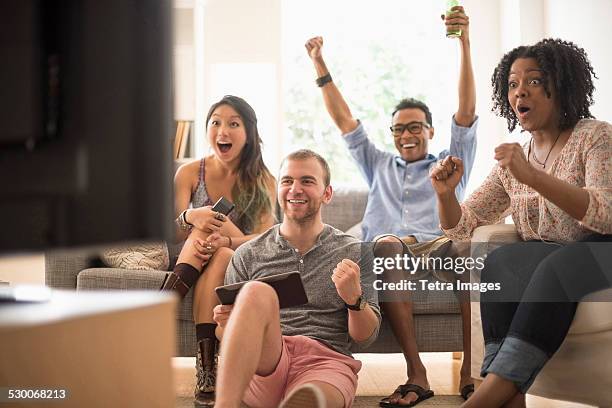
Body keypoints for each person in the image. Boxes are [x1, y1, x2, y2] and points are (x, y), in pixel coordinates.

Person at [305, 6, 477, 406]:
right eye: (398, 128)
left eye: (415, 126)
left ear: (431, 131)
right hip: (389, 249)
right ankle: (417, 374)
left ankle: (472, 370)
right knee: (385, 244)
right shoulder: (378, 163)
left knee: (471, 249)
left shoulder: (451, 164)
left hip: (438, 246)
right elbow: (344, 120)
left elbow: (466, 112)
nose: (406, 135)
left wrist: (464, 44)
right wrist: (319, 63)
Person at [430, 38, 611, 408]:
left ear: (559, 84)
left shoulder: (595, 136)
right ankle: (511, 400)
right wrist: (445, 194)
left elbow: (605, 213)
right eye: (512, 84)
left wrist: (532, 177)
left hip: (603, 252)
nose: (519, 92)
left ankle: (488, 395)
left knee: (559, 264)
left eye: (532, 80)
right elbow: (463, 228)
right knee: (500, 262)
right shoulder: (514, 161)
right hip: (554, 256)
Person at [212, 149, 381, 408]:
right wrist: (228, 324)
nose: (295, 189)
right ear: (278, 191)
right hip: (266, 360)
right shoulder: (248, 254)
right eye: (287, 181)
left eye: (307, 181)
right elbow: (225, 335)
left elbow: (365, 337)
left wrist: (354, 299)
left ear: (327, 194)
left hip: (326, 362)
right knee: (257, 291)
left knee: (313, 397)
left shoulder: (356, 252)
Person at [161, 95, 277, 406]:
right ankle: (207, 368)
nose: (222, 131)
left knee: (218, 232)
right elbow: (169, 232)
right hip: (196, 253)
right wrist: (190, 216)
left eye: (233, 124)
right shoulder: (188, 173)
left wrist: (224, 239)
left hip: (241, 259)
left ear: (248, 133)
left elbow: (265, 240)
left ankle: (165, 302)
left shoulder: (264, 180)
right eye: (215, 123)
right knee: (205, 224)